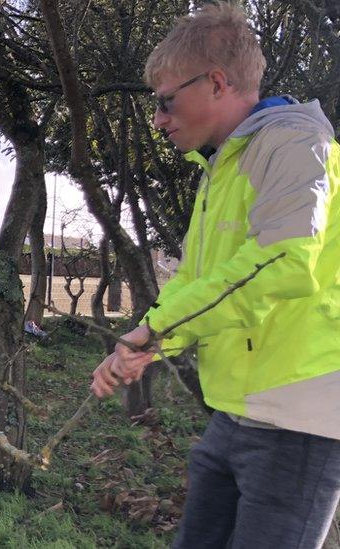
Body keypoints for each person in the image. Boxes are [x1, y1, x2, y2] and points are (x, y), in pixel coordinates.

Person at [89, 3, 340, 548]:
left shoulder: (296, 145)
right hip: (235, 414)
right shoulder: (223, 166)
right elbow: (196, 279)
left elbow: (284, 261)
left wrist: (157, 331)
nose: (158, 119)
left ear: (218, 83)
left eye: (166, 100)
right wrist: (147, 334)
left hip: (299, 421)